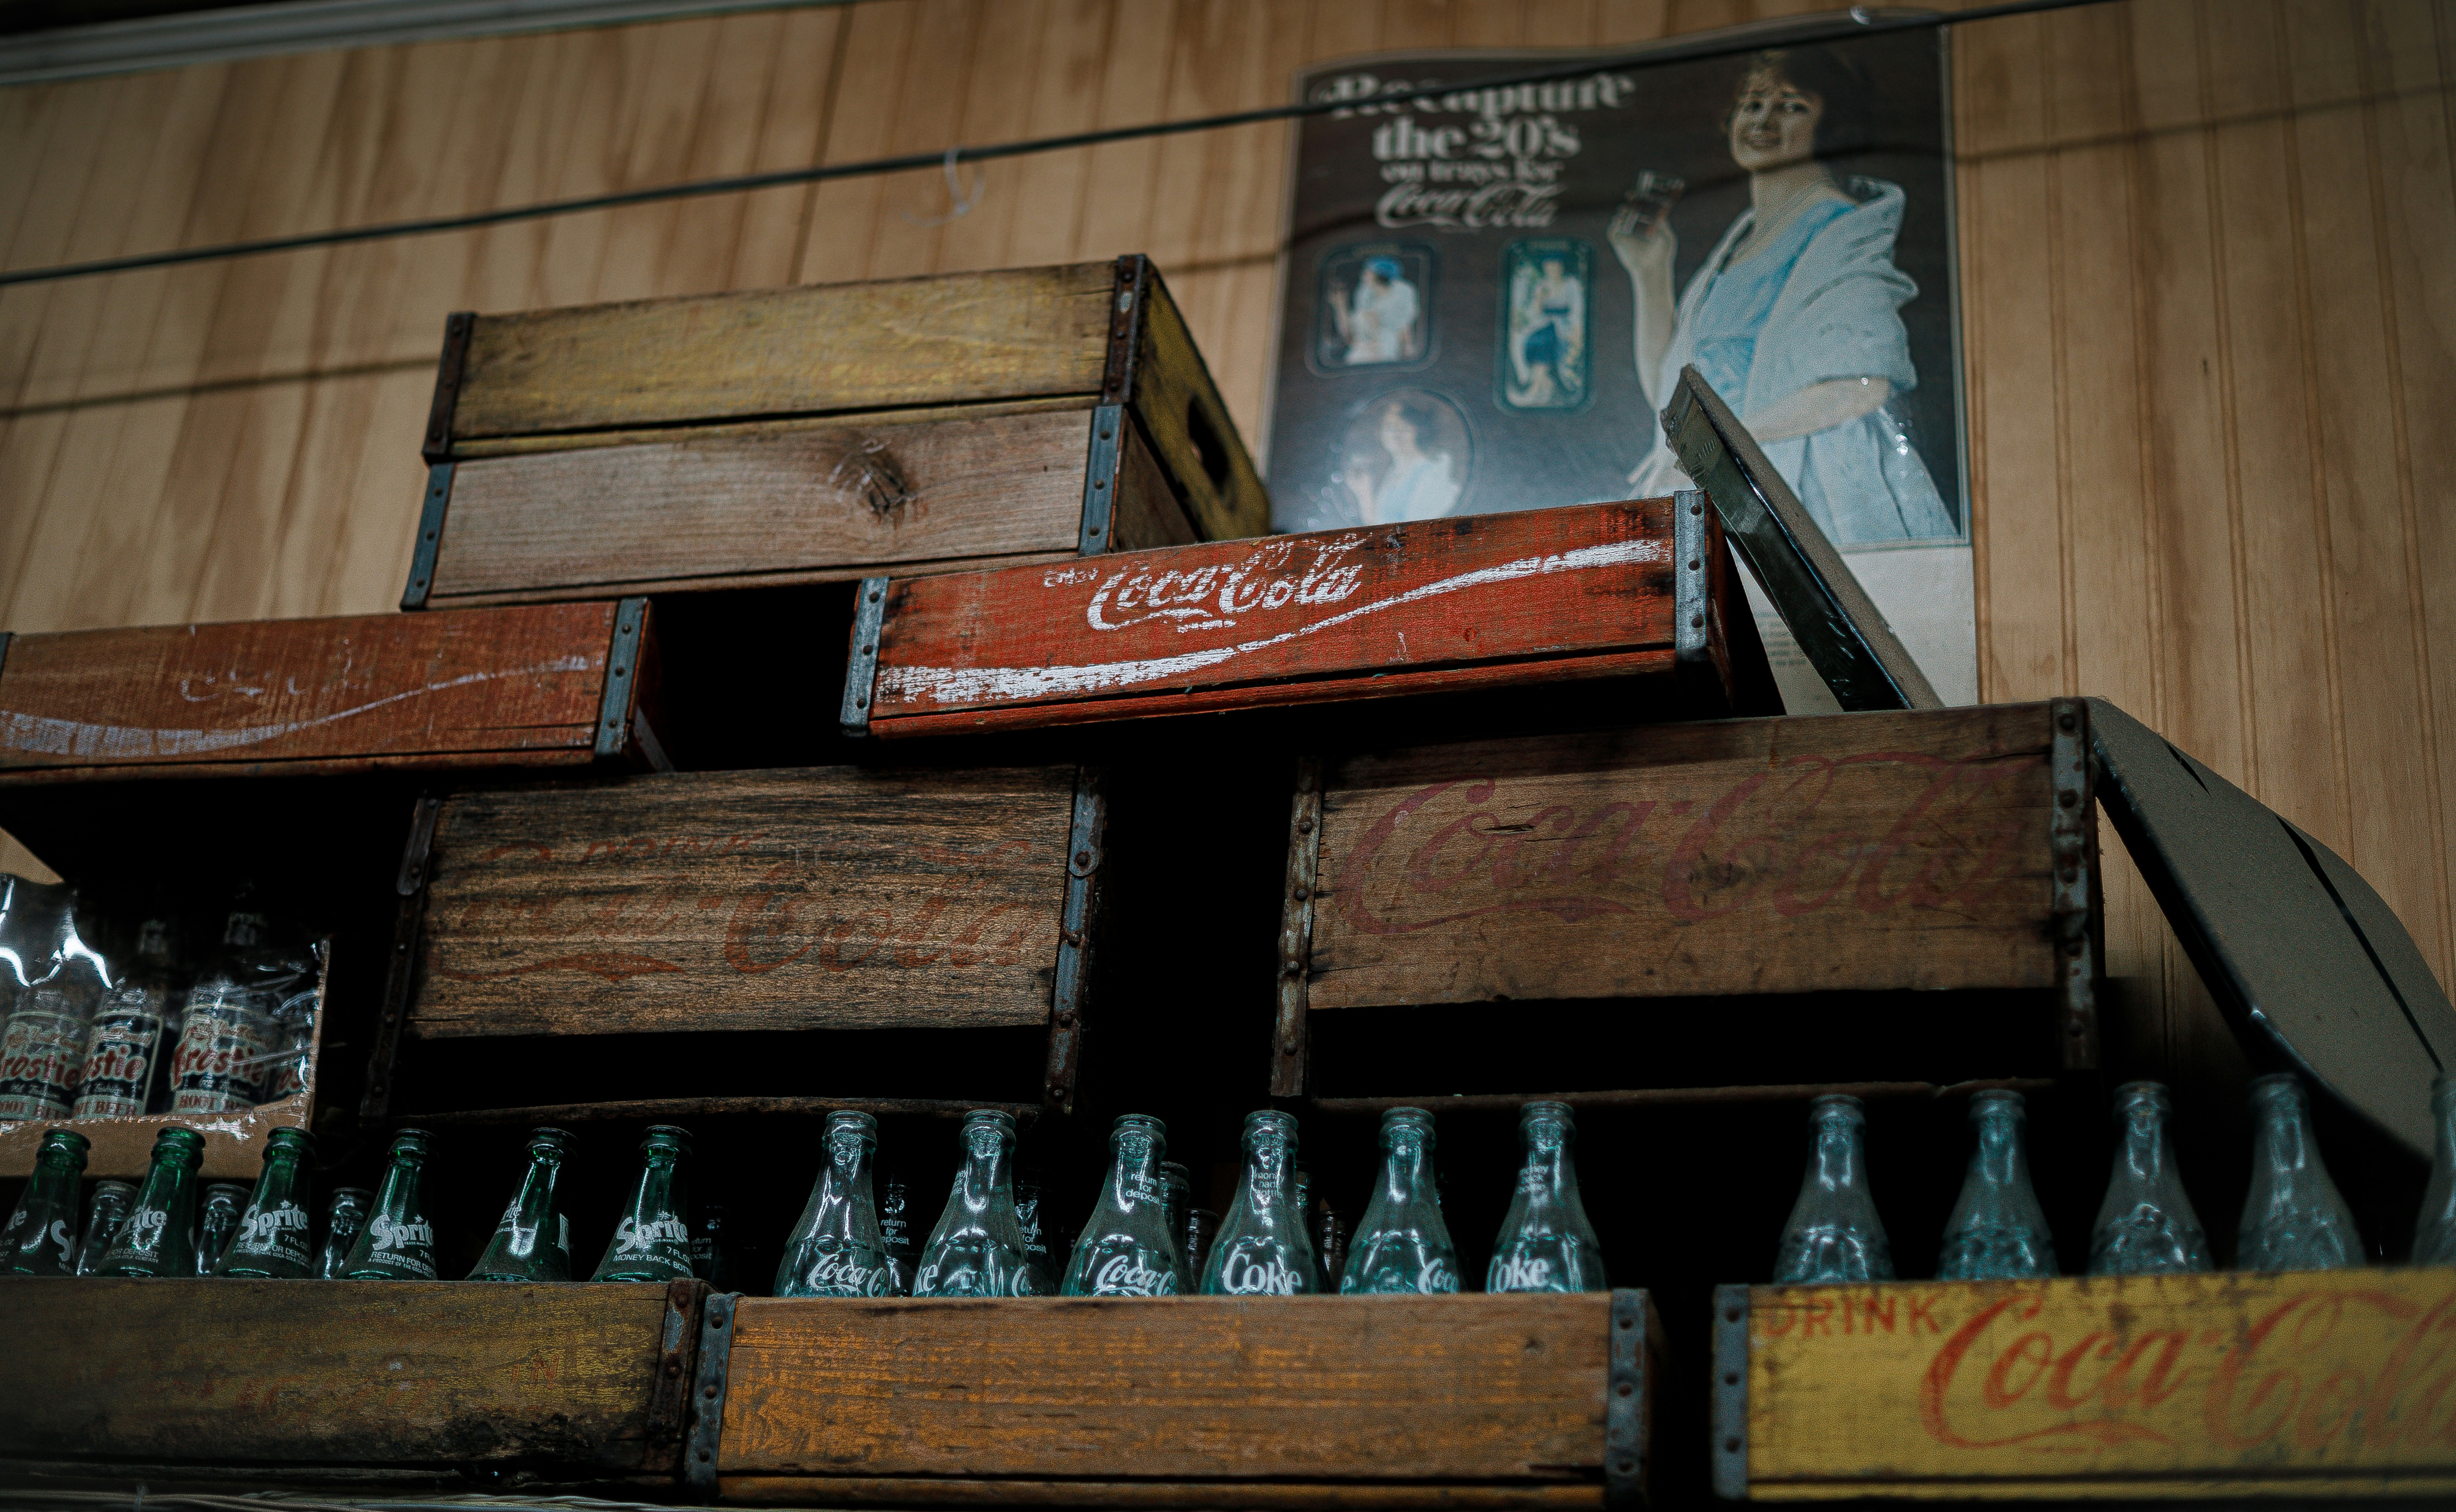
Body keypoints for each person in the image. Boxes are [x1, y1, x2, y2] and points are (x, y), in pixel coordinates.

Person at [1608, 47, 1955, 544]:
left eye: (1791, 106)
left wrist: (1717, 452)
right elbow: (1671, 398)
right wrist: (1649, 270)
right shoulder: (1740, 240)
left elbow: (1862, 386)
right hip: (1730, 498)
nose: (1763, 121)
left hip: (1813, 499)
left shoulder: (1841, 230)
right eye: (1752, 105)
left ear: (1830, 125)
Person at [1346, 398, 1459, 524]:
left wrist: (1365, 495)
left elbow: (1412, 533)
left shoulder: (1433, 474)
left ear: (1419, 430)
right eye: (1389, 427)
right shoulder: (1396, 470)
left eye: (1403, 427)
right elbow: (1377, 525)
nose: (1395, 434)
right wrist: (1364, 492)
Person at [1508, 255, 1585, 406]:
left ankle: (1536, 391)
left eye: (1556, 265)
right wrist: (1540, 300)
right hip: (1543, 325)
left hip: (1565, 326)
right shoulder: (1541, 286)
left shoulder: (1571, 284)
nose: (1553, 269)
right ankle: (1538, 388)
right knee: (1529, 340)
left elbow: (1577, 312)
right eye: (1549, 265)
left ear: (1562, 266)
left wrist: (1576, 330)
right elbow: (1534, 314)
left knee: (1546, 340)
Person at [1328, 257, 1420, 365]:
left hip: (1384, 357)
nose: (1363, 275)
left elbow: (1404, 332)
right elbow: (1349, 336)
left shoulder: (1398, 301)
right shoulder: (1365, 300)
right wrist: (1340, 306)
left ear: (1377, 275)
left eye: (1367, 272)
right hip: (1359, 358)